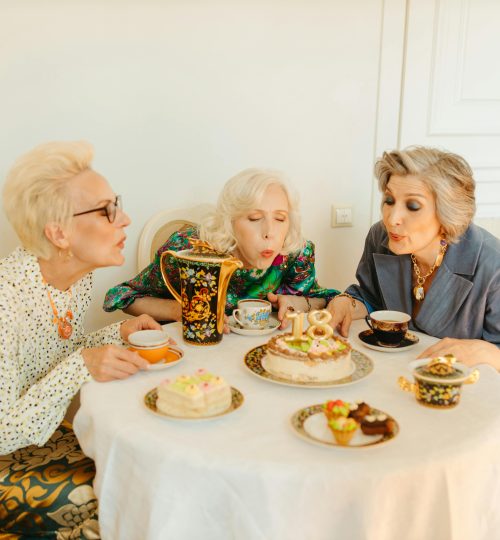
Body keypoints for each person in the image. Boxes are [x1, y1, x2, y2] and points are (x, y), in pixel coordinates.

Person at [0, 141, 162, 538]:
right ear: (59, 233)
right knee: (130, 489)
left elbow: (48, 357)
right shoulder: (6, 301)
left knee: (148, 464)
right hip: (8, 456)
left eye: (117, 203)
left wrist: (117, 332)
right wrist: (82, 365)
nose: (124, 219)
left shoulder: (75, 277)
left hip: (45, 433)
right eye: (107, 210)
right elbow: (3, 431)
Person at [327, 146, 500, 369]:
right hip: (392, 375)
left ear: (448, 214)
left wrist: (486, 351)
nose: (392, 219)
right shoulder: (380, 237)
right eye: (389, 200)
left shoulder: (493, 266)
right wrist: (346, 302)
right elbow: (372, 299)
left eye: (413, 206)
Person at [104, 168, 339, 327]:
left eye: (280, 218)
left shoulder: (295, 253)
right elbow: (124, 297)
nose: (270, 232)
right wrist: (183, 310)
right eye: (255, 218)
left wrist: (299, 303)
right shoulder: (188, 251)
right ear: (230, 222)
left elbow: (324, 299)